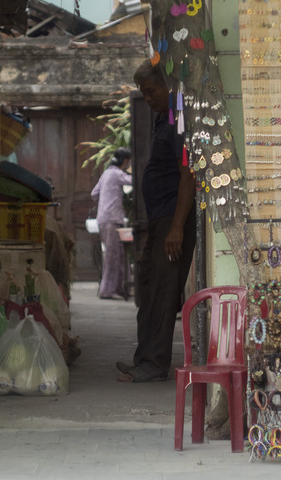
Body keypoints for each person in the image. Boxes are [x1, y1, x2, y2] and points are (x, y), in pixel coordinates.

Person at [116, 59, 196, 383]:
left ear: (167, 86)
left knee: (163, 292)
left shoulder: (179, 121)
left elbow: (187, 175)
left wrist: (176, 226)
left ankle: (154, 363)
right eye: (143, 93)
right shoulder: (165, 119)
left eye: (150, 92)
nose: (146, 99)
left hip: (172, 221)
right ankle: (143, 357)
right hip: (160, 219)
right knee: (148, 288)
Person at [91, 147, 133, 299]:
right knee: (113, 256)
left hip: (103, 218)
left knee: (118, 254)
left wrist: (105, 202)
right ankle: (107, 291)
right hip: (113, 219)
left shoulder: (106, 173)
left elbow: (94, 194)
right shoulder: (117, 174)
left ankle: (121, 288)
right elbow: (133, 181)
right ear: (125, 162)